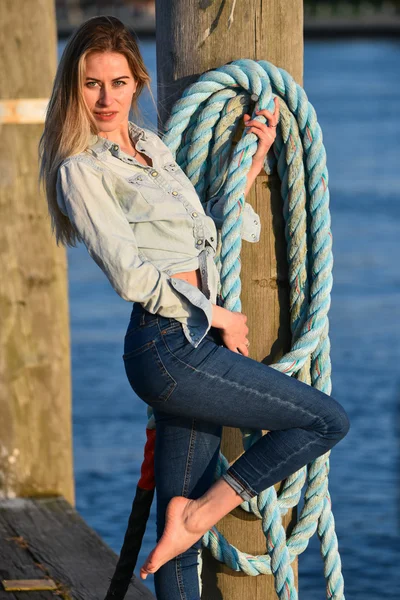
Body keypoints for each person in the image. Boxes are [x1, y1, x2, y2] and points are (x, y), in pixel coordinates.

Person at [39, 15, 350, 600]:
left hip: (192, 343)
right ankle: (203, 513)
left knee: (174, 548)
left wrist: (250, 163)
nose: (106, 98)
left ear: (137, 83)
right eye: (90, 84)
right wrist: (223, 316)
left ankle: (189, 519)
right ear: (72, 89)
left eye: (118, 82)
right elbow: (132, 274)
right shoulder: (80, 170)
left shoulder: (151, 146)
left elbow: (198, 232)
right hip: (168, 346)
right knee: (324, 419)